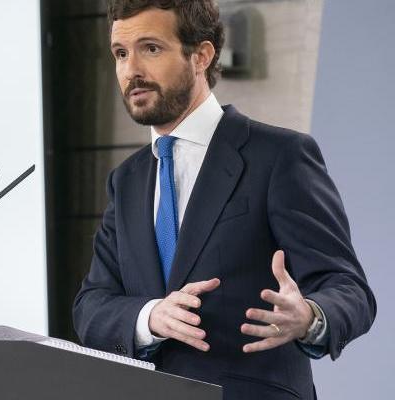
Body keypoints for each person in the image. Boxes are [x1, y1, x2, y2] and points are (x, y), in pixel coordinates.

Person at [72, 1, 376, 399]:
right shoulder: (126, 181)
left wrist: (309, 317)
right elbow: (91, 306)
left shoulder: (279, 156)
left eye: (151, 48)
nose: (131, 71)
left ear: (201, 55)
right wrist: (150, 315)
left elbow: (348, 288)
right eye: (121, 53)